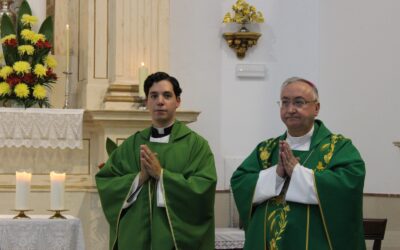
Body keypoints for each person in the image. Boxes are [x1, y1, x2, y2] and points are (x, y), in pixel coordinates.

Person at [231, 77, 366, 250]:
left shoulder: (338, 147)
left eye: (299, 102)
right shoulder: (266, 149)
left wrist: (297, 172)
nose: (290, 109)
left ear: (316, 108)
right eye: (285, 103)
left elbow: (349, 184)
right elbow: (240, 182)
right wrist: (276, 174)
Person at [96, 72, 217, 250]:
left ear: (178, 101)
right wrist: (140, 178)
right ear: (147, 102)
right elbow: (106, 182)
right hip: (137, 239)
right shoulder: (132, 145)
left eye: (167, 95)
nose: (160, 101)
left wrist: (161, 175)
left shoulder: (196, 146)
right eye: (154, 96)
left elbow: (204, 188)